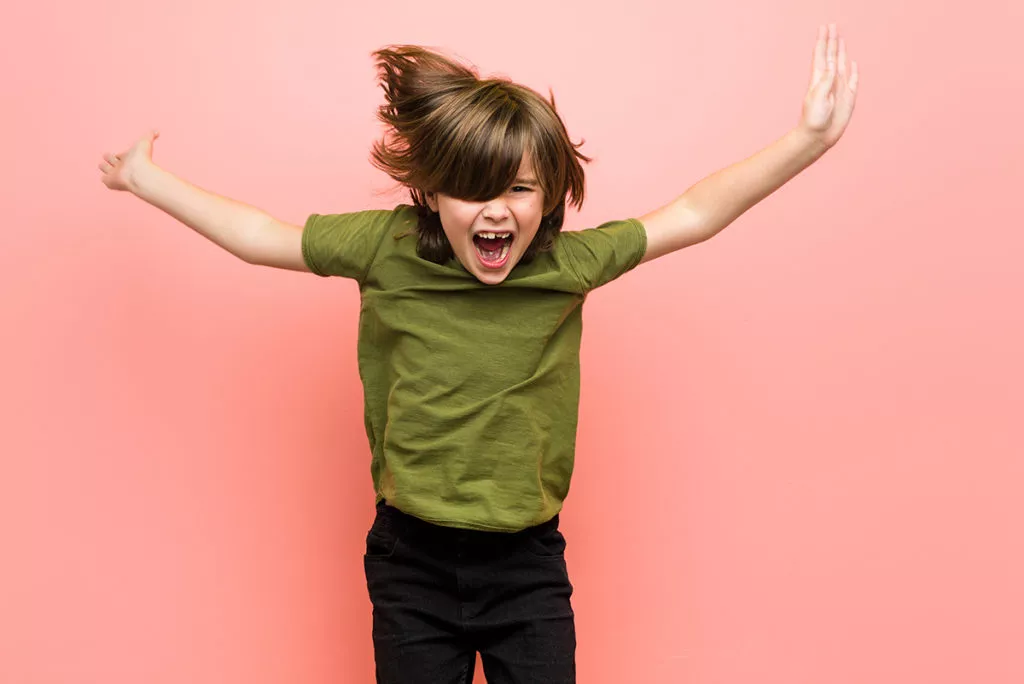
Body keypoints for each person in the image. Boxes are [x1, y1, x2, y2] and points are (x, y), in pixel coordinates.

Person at [98, 23, 857, 684]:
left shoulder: (569, 263)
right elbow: (260, 236)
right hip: (411, 561)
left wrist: (807, 141)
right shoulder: (384, 247)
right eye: (470, 190)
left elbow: (693, 213)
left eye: (521, 190)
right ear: (429, 194)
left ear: (552, 197)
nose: (495, 210)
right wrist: (145, 178)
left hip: (527, 565)